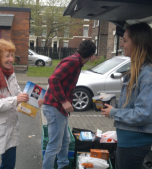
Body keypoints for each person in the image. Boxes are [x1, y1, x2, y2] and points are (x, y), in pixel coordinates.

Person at [101, 22, 152, 169]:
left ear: (138, 43)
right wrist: (114, 107)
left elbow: (143, 114)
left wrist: (114, 112)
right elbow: (133, 105)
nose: (121, 45)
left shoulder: (150, 75)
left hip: (134, 144)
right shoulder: (138, 72)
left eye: (125, 40)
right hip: (127, 141)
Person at [0, 38, 40, 169]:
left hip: (11, 128)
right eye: (7, 56)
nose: (11, 59)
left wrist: (33, 101)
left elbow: (18, 94)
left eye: (12, 55)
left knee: (9, 165)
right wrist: (16, 99)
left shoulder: (10, 73)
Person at [42, 40, 96, 169]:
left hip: (59, 108)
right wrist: (65, 101)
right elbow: (53, 79)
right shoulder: (74, 62)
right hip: (55, 107)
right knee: (54, 145)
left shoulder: (76, 61)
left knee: (65, 140)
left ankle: (63, 165)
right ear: (91, 55)